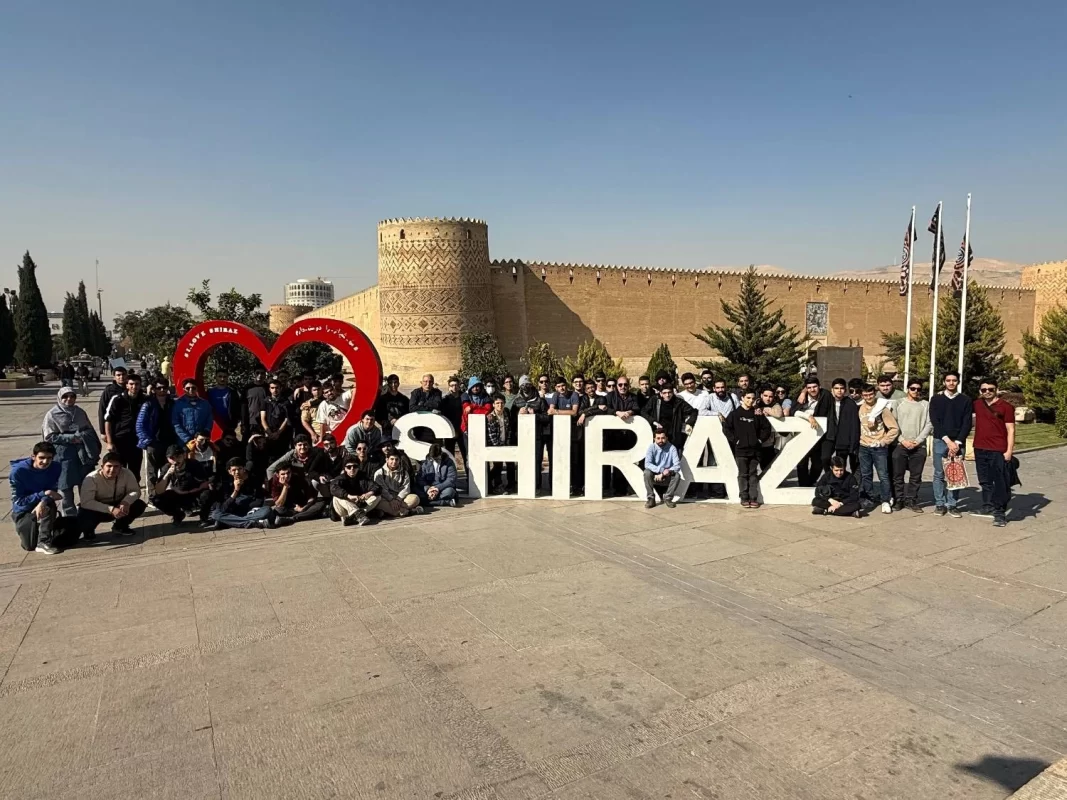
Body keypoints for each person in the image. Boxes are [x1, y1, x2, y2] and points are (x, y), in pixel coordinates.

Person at [42, 386, 100, 517]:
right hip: (64, 455)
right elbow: (49, 436)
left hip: (82, 454)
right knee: (65, 488)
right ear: (60, 398)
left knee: (86, 486)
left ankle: (87, 516)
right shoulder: (52, 414)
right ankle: (70, 519)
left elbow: (89, 429)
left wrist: (86, 438)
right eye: (65, 396)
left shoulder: (79, 412)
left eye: (72, 396)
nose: (69, 399)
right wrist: (71, 437)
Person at [972, 378, 1015, 527]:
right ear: (980, 391)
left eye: (990, 389)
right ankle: (988, 506)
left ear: (996, 389)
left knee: (1000, 482)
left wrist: (1009, 451)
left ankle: (1000, 512)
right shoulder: (977, 404)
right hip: (980, 447)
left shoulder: (1006, 407)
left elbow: (1011, 429)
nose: (987, 392)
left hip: (998, 449)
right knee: (984, 480)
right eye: (984, 390)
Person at [929, 371, 972, 518]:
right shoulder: (936, 399)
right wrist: (948, 441)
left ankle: (952, 504)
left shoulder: (965, 400)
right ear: (944, 382)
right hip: (941, 440)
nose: (951, 383)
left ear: (958, 382)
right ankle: (940, 504)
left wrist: (957, 442)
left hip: (958, 441)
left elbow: (967, 422)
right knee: (939, 473)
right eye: (948, 380)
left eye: (954, 380)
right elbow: (935, 421)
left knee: (955, 474)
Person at [78, 451, 147, 539]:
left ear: (121, 467)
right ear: (102, 467)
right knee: (84, 515)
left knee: (139, 505)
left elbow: (135, 491)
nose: (112, 469)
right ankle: (88, 531)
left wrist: (126, 501)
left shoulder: (127, 473)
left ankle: (120, 526)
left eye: (116, 466)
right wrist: (110, 509)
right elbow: (86, 502)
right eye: (109, 466)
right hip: (99, 507)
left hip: (119, 504)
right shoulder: (91, 478)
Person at [10, 442, 64, 554]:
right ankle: (35, 528)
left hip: (43, 503)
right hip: (23, 509)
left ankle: (44, 541)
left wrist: (43, 501)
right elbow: (19, 501)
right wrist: (43, 494)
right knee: (29, 546)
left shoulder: (55, 467)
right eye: (41, 458)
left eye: (49, 458)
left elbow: (52, 491)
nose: (45, 461)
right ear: (33, 457)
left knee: (48, 506)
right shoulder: (18, 472)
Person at [723, 388, 773, 508]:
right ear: (742, 398)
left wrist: (760, 440)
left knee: (753, 474)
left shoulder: (757, 413)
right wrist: (736, 440)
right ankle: (744, 497)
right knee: (742, 474)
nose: (750, 400)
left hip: (755, 450)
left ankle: (753, 498)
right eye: (748, 398)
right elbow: (726, 428)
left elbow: (767, 428)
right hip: (740, 450)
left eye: (753, 398)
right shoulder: (734, 414)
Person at [857, 384, 899, 513]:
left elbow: (894, 428)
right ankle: (869, 498)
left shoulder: (882, 409)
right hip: (864, 446)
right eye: (865, 395)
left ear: (875, 394)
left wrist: (883, 441)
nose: (868, 397)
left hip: (879, 448)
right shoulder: (861, 408)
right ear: (862, 395)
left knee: (883, 475)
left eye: (870, 394)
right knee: (866, 475)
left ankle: (885, 500)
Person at [892, 380, 932, 512]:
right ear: (908, 389)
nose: (916, 391)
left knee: (916, 476)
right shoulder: (898, 403)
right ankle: (899, 499)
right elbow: (893, 424)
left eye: (918, 389)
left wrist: (918, 440)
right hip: (900, 444)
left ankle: (911, 500)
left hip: (918, 446)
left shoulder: (925, 404)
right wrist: (902, 440)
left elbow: (929, 424)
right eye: (913, 388)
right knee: (898, 475)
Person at [151, 444, 213, 526]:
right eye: (172, 458)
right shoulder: (167, 468)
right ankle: (178, 515)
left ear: (184, 455)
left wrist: (188, 491)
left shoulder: (193, 464)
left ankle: (204, 517)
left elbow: (205, 484)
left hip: (195, 494)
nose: (175, 460)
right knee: (156, 499)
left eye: (178, 456)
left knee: (207, 494)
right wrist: (167, 475)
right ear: (168, 459)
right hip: (178, 495)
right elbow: (158, 491)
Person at [209, 458, 274, 530]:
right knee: (216, 514)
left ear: (244, 469)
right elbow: (224, 508)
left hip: (250, 512)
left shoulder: (254, 480)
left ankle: (231, 522)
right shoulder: (226, 484)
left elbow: (259, 501)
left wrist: (243, 506)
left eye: (239, 469)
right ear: (229, 471)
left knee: (267, 510)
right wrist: (236, 490)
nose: (237, 472)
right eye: (234, 470)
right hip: (233, 512)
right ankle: (251, 523)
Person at [794, 376, 833, 486]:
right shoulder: (801, 396)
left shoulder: (826, 395)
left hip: (818, 435)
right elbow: (794, 411)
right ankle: (803, 485)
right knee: (802, 462)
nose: (812, 389)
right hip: (802, 435)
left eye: (814, 387)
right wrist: (808, 417)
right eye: (809, 387)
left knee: (817, 463)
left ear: (819, 386)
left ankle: (811, 482)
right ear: (806, 388)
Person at [104, 374, 146, 476]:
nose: (134, 387)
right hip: (120, 441)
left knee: (134, 473)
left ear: (140, 385)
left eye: (137, 384)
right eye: (131, 384)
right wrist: (109, 442)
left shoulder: (145, 400)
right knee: (118, 472)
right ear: (126, 385)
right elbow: (108, 420)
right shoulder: (117, 399)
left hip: (137, 442)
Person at [511, 377, 548, 492]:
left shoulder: (540, 401)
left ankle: (537, 486)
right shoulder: (516, 401)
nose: (525, 387)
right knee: (523, 461)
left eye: (527, 384)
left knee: (536, 461)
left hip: (537, 436)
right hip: (522, 437)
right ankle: (522, 484)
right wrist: (518, 413)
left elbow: (547, 417)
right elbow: (511, 420)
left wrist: (535, 414)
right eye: (523, 385)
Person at [137, 380, 176, 486]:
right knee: (152, 472)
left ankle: (163, 492)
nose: (162, 390)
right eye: (159, 388)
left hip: (169, 442)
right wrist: (147, 441)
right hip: (153, 442)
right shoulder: (148, 404)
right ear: (154, 390)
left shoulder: (172, 403)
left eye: (164, 387)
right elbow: (140, 424)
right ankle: (152, 494)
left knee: (167, 470)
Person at [547, 376, 580, 492]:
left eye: (563, 386)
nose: (561, 388)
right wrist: (560, 412)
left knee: (574, 460)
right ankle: (558, 485)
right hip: (559, 432)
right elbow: (550, 411)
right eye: (559, 386)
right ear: (556, 388)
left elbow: (574, 412)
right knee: (559, 459)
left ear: (567, 385)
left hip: (573, 432)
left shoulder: (574, 395)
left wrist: (557, 411)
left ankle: (575, 486)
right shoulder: (556, 395)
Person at [642, 383, 696, 451]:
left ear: (672, 393)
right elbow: (643, 412)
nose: (667, 395)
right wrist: (653, 421)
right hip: (659, 434)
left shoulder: (678, 402)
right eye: (664, 393)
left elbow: (694, 411)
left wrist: (689, 423)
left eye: (669, 392)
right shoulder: (655, 400)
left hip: (674, 435)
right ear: (661, 393)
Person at [329, 454, 380, 526]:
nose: (352, 469)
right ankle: (358, 514)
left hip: (359, 504)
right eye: (349, 467)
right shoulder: (341, 478)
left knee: (377, 496)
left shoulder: (363, 477)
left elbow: (376, 487)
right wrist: (348, 496)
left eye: (355, 466)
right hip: (344, 509)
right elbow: (333, 488)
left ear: (358, 467)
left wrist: (368, 494)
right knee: (336, 497)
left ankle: (353, 517)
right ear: (345, 468)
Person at [374, 449, 423, 517]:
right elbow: (381, 489)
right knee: (378, 503)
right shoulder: (379, 473)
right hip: (386, 499)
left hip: (400, 499)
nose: (394, 462)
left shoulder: (404, 473)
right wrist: (391, 499)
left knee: (415, 498)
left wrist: (398, 499)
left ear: (399, 460)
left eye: (396, 459)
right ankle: (408, 511)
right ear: (387, 460)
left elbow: (406, 488)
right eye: (392, 459)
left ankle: (398, 511)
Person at [643, 429, 681, 509]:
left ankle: (668, 498)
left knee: (677, 475)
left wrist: (664, 473)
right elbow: (647, 464)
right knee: (646, 472)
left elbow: (677, 465)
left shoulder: (672, 448)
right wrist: (661, 470)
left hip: (667, 475)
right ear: (654, 439)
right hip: (655, 476)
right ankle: (651, 499)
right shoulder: (651, 447)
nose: (661, 440)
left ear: (666, 438)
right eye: (658, 438)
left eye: (663, 438)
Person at [172, 379, 213, 447]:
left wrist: (205, 433)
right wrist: (187, 439)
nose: (191, 390)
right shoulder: (177, 404)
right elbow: (176, 424)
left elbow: (209, 420)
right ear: (184, 389)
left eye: (193, 388)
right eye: (188, 388)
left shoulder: (205, 404)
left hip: (201, 442)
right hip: (184, 443)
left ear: (197, 388)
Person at [461, 377, 493, 460]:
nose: (475, 388)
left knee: (483, 453)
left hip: (482, 428)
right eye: (473, 386)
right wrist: (480, 409)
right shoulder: (465, 396)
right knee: (469, 454)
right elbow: (467, 410)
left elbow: (488, 409)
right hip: (467, 429)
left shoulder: (485, 396)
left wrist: (472, 406)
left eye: (477, 386)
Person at [261, 378, 293, 460]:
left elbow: (286, 419)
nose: (275, 390)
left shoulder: (286, 402)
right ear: (269, 389)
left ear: (280, 388)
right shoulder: (265, 401)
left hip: (282, 433)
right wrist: (269, 432)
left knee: (282, 457)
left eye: (277, 388)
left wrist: (278, 433)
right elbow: (263, 418)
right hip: (269, 432)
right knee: (269, 457)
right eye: (272, 388)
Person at [486, 394, 512, 493]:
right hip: (495, 446)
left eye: (501, 403)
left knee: (505, 465)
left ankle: (501, 485)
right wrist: (498, 447)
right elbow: (491, 435)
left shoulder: (506, 414)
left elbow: (508, 429)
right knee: (497, 466)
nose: (500, 405)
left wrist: (507, 443)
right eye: (497, 403)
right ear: (493, 404)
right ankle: (493, 484)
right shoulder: (490, 417)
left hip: (505, 444)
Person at [756, 386, 785, 470]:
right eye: (765, 396)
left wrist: (765, 409)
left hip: (768, 442)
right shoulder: (756, 403)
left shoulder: (775, 404)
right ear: (761, 395)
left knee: (767, 466)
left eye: (770, 396)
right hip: (754, 441)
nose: (768, 399)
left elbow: (779, 414)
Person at [374, 374, 410, 440]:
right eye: (391, 383)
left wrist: (400, 421)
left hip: (402, 431)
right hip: (388, 432)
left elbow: (408, 414)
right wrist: (389, 422)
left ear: (398, 384)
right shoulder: (382, 399)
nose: (393, 385)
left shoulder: (404, 399)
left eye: (395, 382)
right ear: (388, 384)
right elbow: (378, 417)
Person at [207, 370, 241, 436]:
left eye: (225, 377)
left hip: (229, 423)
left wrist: (235, 421)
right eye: (220, 376)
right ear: (215, 377)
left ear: (227, 378)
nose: (222, 379)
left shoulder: (232, 392)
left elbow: (237, 408)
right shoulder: (210, 392)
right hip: (214, 423)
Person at [97, 366, 128, 435]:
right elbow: (102, 410)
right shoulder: (109, 390)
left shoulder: (130, 389)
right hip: (114, 428)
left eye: (123, 374)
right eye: (118, 375)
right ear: (114, 377)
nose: (121, 377)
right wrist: (103, 432)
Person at [440, 376, 465, 462]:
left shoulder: (464, 398)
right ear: (449, 387)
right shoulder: (445, 400)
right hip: (449, 431)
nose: (454, 387)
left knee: (466, 455)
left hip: (462, 431)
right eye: (452, 385)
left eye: (456, 385)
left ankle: (468, 471)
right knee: (450, 456)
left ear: (459, 386)